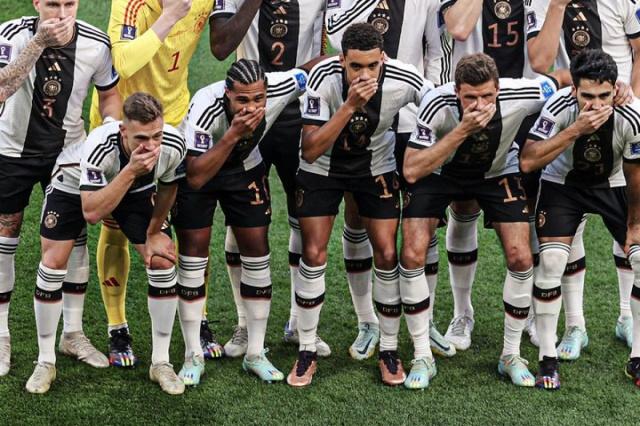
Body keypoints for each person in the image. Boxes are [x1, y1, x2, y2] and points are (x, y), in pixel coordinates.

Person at [402, 52, 572, 387]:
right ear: (456, 92)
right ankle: (423, 353)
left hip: (497, 171)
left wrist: (620, 88)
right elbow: (411, 169)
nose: (479, 104)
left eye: (487, 96)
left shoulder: (522, 93)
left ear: (498, 90)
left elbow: (563, 78)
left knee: (522, 258)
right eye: (470, 98)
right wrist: (462, 130)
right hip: (440, 171)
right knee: (411, 253)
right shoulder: (437, 104)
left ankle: (510, 354)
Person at [287, 23, 433, 389]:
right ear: (342, 61)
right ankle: (306, 349)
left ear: (383, 59)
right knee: (314, 252)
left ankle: (388, 348)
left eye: (372, 66)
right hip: (322, 169)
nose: (365, 74)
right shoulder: (322, 78)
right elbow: (311, 148)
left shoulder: (404, 78)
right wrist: (351, 103)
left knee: (386, 253)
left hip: (376, 166)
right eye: (356, 67)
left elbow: (439, 104)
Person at [28, 92, 188, 395]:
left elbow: (168, 188)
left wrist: (154, 230)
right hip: (74, 184)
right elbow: (92, 212)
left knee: (162, 260)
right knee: (53, 262)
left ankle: (161, 363)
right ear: (123, 131)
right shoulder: (101, 146)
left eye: (156, 135)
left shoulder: (173, 143)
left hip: (133, 187)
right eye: (141, 138)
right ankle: (45, 361)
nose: (151, 146)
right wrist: (130, 170)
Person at [322, 0, 454, 360]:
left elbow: (437, 51)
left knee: (420, 220)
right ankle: (368, 321)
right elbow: (336, 38)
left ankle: (424, 322)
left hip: (411, 116)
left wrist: (430, 111)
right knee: (357, 214)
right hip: (360, 113)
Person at [0, 0, 121, 377]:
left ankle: (72, 334)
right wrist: (38, 42)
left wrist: (109, 134)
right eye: (53, 4)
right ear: (37, 3)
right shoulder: (11, 34)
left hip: (68, 154)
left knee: (73, 238)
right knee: (6, 232)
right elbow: (3, 88)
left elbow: (110, 94)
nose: (62, 12)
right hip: (12, 149)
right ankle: (1, 334)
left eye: (69, 3)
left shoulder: (96, 44)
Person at [208, 0, 330, 359]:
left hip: (302, 111)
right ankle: (244, 324)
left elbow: (336, 46)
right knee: (239, 219)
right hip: (250, 113)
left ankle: (297, 320)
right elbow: (220, 47)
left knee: (304, 216)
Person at [175, 58, 309, 382]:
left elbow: (310, 71)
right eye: (242, 100)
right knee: (193, 256)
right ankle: (193, 355)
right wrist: (234, 134)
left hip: (245, 169)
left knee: (257, 253)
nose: (251, 106)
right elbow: (195, 175)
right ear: (227, 94)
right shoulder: (205, 108)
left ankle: (255, 352)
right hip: (199, 168)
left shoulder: (279, 87)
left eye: (258, 99)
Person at [525, 0, 640, 359]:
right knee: (560, 251)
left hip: (618, 155)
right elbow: (540, 63)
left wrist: (631, 98)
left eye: (600, 97)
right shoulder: (561, 105)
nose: (595, 103)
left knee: (632, 245)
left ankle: (628, 321)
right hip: (566, 173)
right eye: (588, 96)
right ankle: (575, 327)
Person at [438, 0, 542, 351]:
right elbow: (459, 27)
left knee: (527, 210)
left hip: (522, 104)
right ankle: (461, 311)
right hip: (471, 102)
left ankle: (528, 310)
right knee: (463, 206)